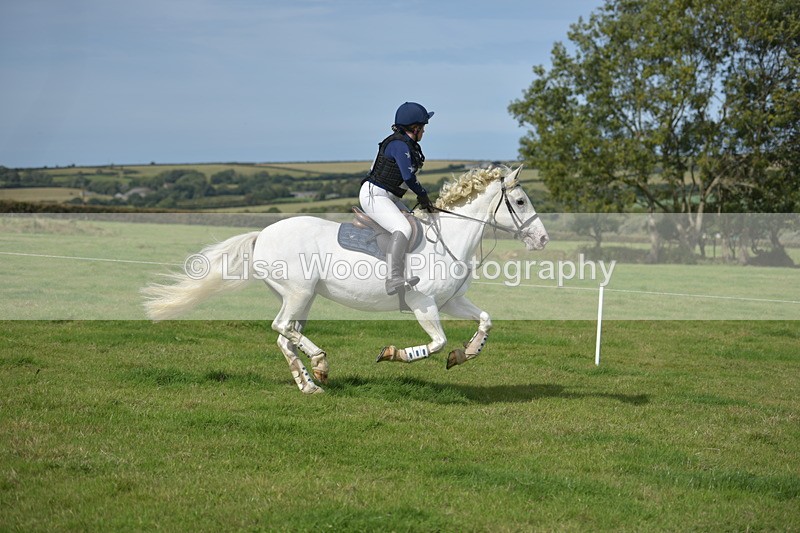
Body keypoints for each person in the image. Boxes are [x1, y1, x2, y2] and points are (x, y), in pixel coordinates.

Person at [360, 102, 435, 295]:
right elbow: (408, 177)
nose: (424, 132)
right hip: (375, 195)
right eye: (423, 127)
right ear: (416, 127)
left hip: (389, 196)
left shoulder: (407, 145)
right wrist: (423, 195)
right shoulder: (399, 145)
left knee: (415, 223)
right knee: (402, 227)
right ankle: (393, 279)